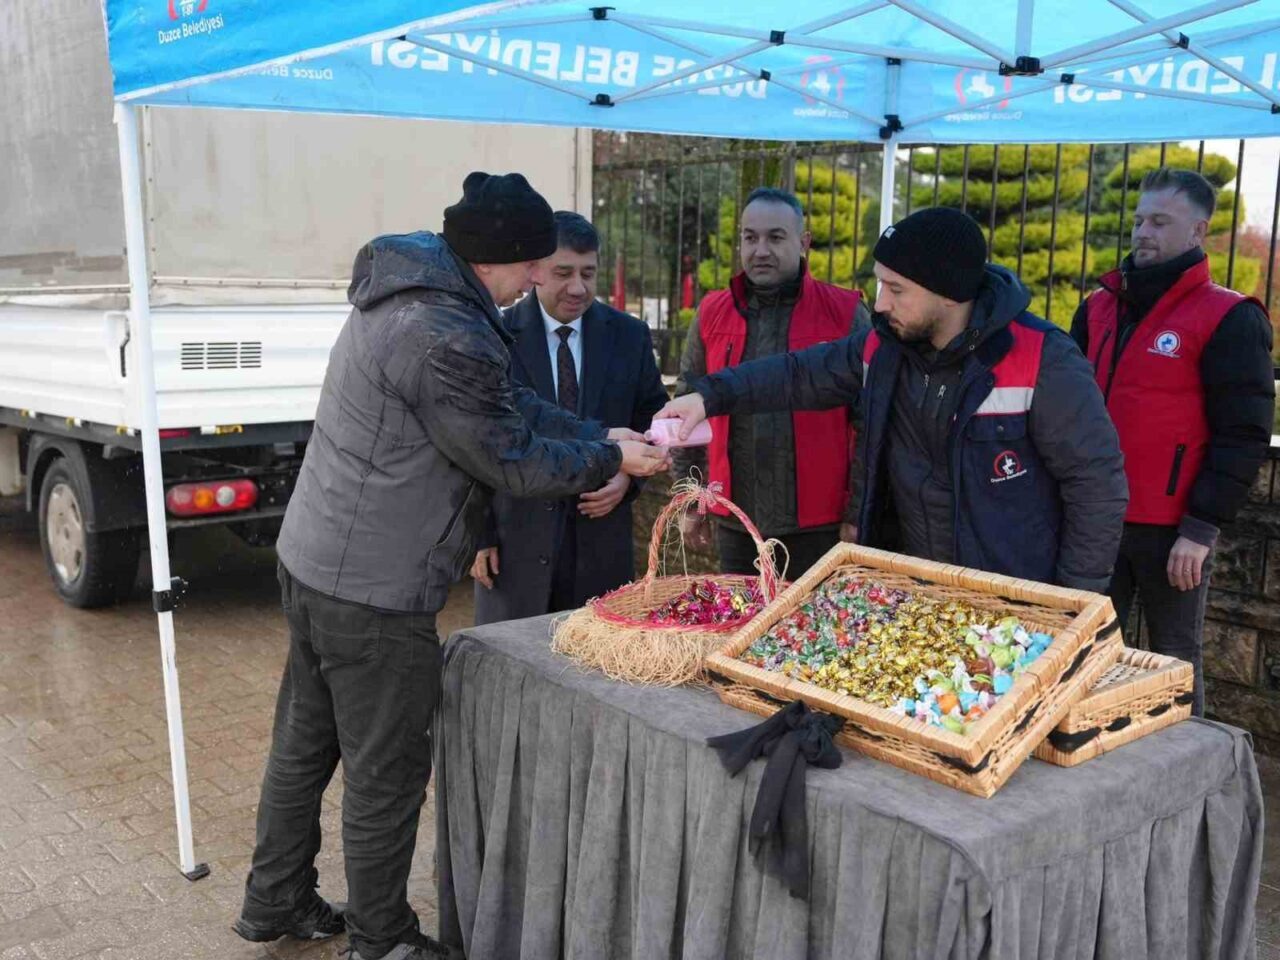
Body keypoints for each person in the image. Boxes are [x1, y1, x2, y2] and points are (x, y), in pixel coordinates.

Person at [232, 172, 669, 960]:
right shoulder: (444, 333)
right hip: (373, 590)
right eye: (535, 265)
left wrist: (600, 432)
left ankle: (275, 899)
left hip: (318, 561)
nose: (542, 280)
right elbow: (508, 454)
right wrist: (605, 455)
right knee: (387, 769)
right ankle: (382, 938)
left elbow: (511, 405)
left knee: (306, 740)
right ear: (500, 260)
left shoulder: (425, 290)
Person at [655, 206, 1129, 595]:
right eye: (881, 284)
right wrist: (708, 395)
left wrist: (1076, 598)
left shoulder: (1041, 357)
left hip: (1011, 596)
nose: (880, 303)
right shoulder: (884, 348)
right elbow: (797, 372)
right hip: (911, 585)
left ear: (948, 293)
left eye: (896, 289)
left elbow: (1096, 483)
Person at [1070, 167, 1274, 716]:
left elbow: (1243, 434)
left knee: (1173, 660)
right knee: (1084, 656)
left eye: (1160, 221)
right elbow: (1063, 412)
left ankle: (1191, 787)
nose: (1142, 232)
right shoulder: (1097, 308)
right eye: (1138, 220)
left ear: (1198, 231)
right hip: (1094, 519)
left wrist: (1200, 529)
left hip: (1172, 532)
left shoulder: (1228, 317)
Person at [471, 212, 668, 622]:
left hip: (600, 548)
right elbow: (472, 440)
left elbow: (651, 423)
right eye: (563, 273)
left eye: (588, 273)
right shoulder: (493, 336)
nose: (578, 288)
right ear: (536, 269)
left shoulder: (629, 337)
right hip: (515, 549)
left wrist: (626, 477)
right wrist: (478, 534)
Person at [673, 187, 870, 580]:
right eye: (750, 237)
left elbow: (870, 423)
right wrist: (689, 498)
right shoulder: (712, 312)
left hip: (820, 527)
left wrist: (857, 512)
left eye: (775, 237)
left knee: (811, 638)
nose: (760, 250)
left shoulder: (846, 313)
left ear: (804, 242)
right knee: (740, 635)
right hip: (736, 521)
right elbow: (686, 408)